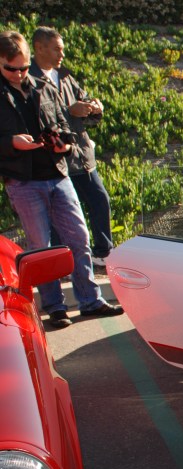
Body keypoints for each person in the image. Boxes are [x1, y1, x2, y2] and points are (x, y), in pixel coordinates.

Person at [0, 30, 122, 328]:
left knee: (79, 238)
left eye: (23, 67)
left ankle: (90, 300)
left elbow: (64, 126)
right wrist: (12, 143)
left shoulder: (44, 87)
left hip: (58, 173)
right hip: (23, 181)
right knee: (40, 247)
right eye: (11, 69)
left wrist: (64, 144)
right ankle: (54, 307)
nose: (19, 74)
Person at [30, 26, 113, 267]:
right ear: (39, 48)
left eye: (63, 49)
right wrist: (70, 111)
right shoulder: (29, 79)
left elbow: (82, 102)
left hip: (82, 155)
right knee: (60, 213)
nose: (62, 54)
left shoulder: (65, 75)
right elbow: (37, 118)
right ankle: (62, 261)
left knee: (99, 199)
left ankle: (103, 252)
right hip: (55, 159)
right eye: (57, 49)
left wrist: (94, 108)